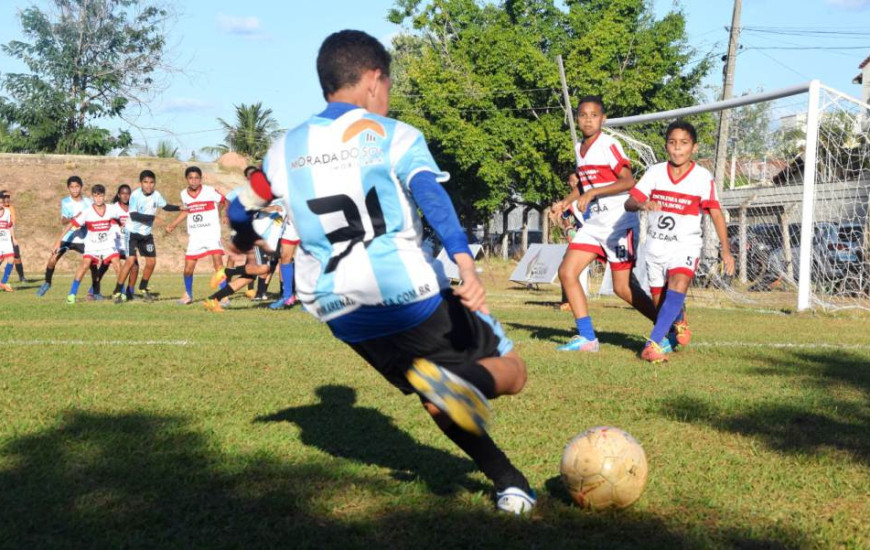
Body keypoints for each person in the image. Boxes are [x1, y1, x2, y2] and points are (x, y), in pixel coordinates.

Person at [227, 30, 535, 514]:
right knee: (512, 372)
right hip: (407, 293)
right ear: (373, 80)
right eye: (388, 85)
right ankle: (465, 385)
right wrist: (464, 261)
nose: (387, 96)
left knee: (435, 394)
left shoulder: (282, 150)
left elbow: (239, 208)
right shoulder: (395, 136)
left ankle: (509, 483)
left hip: (340, 310)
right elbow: (431, 194)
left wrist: (245, 240)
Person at [550, 96, 659, 352]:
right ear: (577, 119)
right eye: (583, 115)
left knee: (622, 287)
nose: (588, 120)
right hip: (594, 225)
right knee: (567, 272)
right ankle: (588, 338)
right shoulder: (579, 148)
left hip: (618, 223)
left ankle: (666, 325)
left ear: (603, 119)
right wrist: (565, 202)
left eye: (594, 115)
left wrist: (593, 193)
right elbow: (584, 187)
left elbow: (628, 181)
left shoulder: (609, 144)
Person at [625, 120, 735, 362]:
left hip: (685, 246)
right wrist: (643, 204)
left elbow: (716, 213)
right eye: (672, 142)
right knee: (660, 303)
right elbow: (629, 202)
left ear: (694, 147)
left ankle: (651, 345)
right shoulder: (655, 172)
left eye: (684, 143)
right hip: (655, 247)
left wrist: (726, 251)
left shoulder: (702, 177)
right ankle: (678, 322)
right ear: (666, 146)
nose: (677, 148)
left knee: (679, 283)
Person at [112, 170, 182, 303]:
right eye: (145, 182)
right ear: (140, 183)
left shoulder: (156, 195)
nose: (148, 185)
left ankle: (143, 288)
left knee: (151, 262)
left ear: (154, 183)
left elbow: (165, 206)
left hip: (146, 235)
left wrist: (180, 208)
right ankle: (117, 292)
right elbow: (134, 216)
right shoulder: (135, 195)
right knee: (130, 261)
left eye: (151, 182)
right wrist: (153, 218)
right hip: (132, 233)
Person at [53, 184, 124, 305]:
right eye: (96, 196)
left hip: (107, 244)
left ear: (104, 196)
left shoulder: (111, 209)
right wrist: (58, 241)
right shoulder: (87, 212)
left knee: (117, 263)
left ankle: (121, 293)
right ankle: (72, 295)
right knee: (85, 265)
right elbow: (70, 225)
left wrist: (122, 225)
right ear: (92, 197)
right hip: (92, 245)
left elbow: (121, 218)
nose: (98, 199)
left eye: (100, 196)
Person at [166, 166, 225, 305]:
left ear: (200, 179)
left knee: (218, 264)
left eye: (196, 178)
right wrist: (173, 224)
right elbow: (187, 211)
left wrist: (219, 213)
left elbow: (223, 200)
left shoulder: (209, 191)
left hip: (211, 233)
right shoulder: (184, 194)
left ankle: (224, 295)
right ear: (186, 179)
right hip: (195, 236)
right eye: (191, 178)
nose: (194, 181)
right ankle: (188, 294)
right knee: (188, 269)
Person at [36, 176, 96, 297]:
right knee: (52, 259)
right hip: (68, 237)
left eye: (77, 186)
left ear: (81, 187)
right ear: (68, 188)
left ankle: (95, 289)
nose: (75, 189)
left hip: (83, 238)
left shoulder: (89, 202)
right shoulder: (65, 202)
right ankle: (47, 283)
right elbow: (63, 220)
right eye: (72, 187)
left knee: (93, 264)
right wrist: (73, 218)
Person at [111, 184, 138, 302]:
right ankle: (93, 291)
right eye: (123, 193)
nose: (125, 196)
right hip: (116, 242)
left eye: (127, 193)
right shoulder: (113, 208)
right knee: (105, 265)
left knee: (135, 266)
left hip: (129, 241)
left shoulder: (134, 208)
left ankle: (130, 291)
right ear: (118, 195)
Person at [0, 191, 31, 283]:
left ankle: (21, 276)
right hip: (3, 237)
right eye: (5, 197)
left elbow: (11, 224)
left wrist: (14, 237)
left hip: (9, 236)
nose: (7, 199)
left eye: (8, 197)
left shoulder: (10, 209)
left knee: (16, 255)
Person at [0, 196, 17, 292]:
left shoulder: (7, 212)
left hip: (6, 241)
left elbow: (10, 226)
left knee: (11, 259)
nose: (0, 204)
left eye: (1, 202)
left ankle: (4, 282)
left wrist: (13, 238)